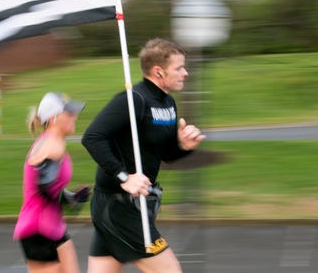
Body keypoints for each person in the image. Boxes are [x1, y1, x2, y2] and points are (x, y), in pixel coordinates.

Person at [81, 38, 206, 273]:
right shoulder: (133, 99)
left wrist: (184, 146)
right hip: (118, 206)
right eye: (179, 68)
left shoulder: (167, 102)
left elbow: (167, 155)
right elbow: (92, 137)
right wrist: (125, 177)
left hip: (130, 205)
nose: (185, 73)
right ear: (158, 71)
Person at [14, 92, 90, 273]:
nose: (75, 117)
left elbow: (48, 186)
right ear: (54, 118)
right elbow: (44, 185)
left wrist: (70, 197)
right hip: (39, 228)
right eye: (69, 114)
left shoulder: (53, 142)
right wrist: (62, 196)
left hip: (53, 226)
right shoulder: (52, 144)